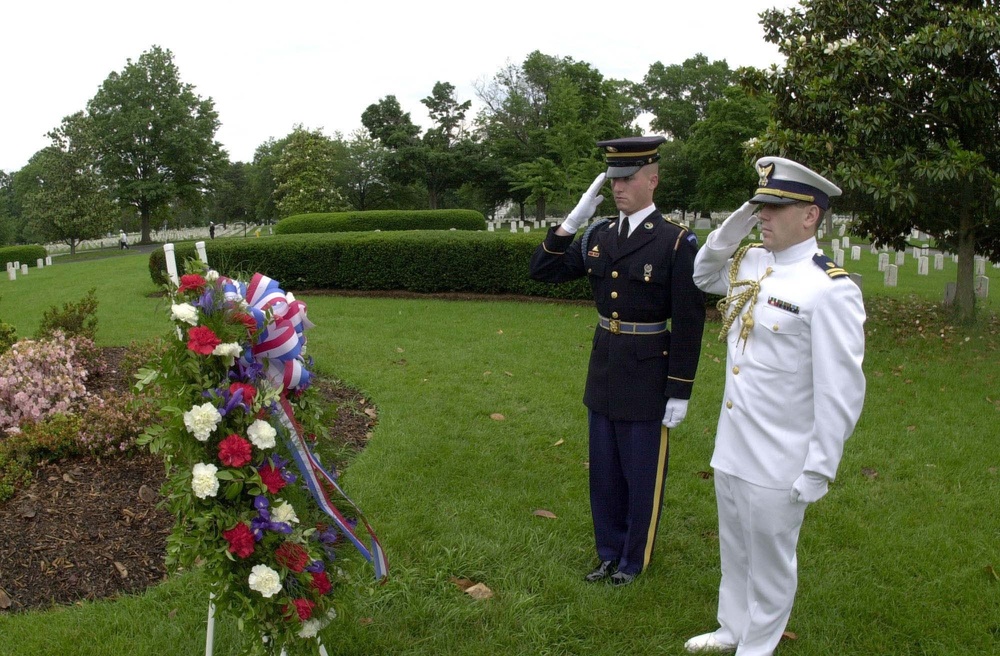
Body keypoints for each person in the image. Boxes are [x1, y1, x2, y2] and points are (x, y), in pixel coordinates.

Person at [685, 157, 866, 654]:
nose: (763, 215)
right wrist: (741, 216)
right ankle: (731, 627)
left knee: (769, 557)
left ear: (810, 216)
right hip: (734, 443)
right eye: (760, 206)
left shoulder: (829, 290)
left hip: (781, 455)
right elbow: (703, 272)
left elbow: (841, 390)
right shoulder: (751, 263)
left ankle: (758, 645)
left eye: (774, 207)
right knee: (735, 547)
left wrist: (819, 467)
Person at [529, 136, 706, 586]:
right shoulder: (599, 234)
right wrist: (571, 222)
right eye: (613, 179)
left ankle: (632, 560)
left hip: (648, 370)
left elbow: (689, 321)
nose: (618, 187)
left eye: (627, 178)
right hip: (605, 364)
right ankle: (608, 552)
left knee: (641, 472)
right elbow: (542, 270)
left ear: (653, 179)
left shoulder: (675, 242)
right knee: (605, 472)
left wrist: (680, 388)